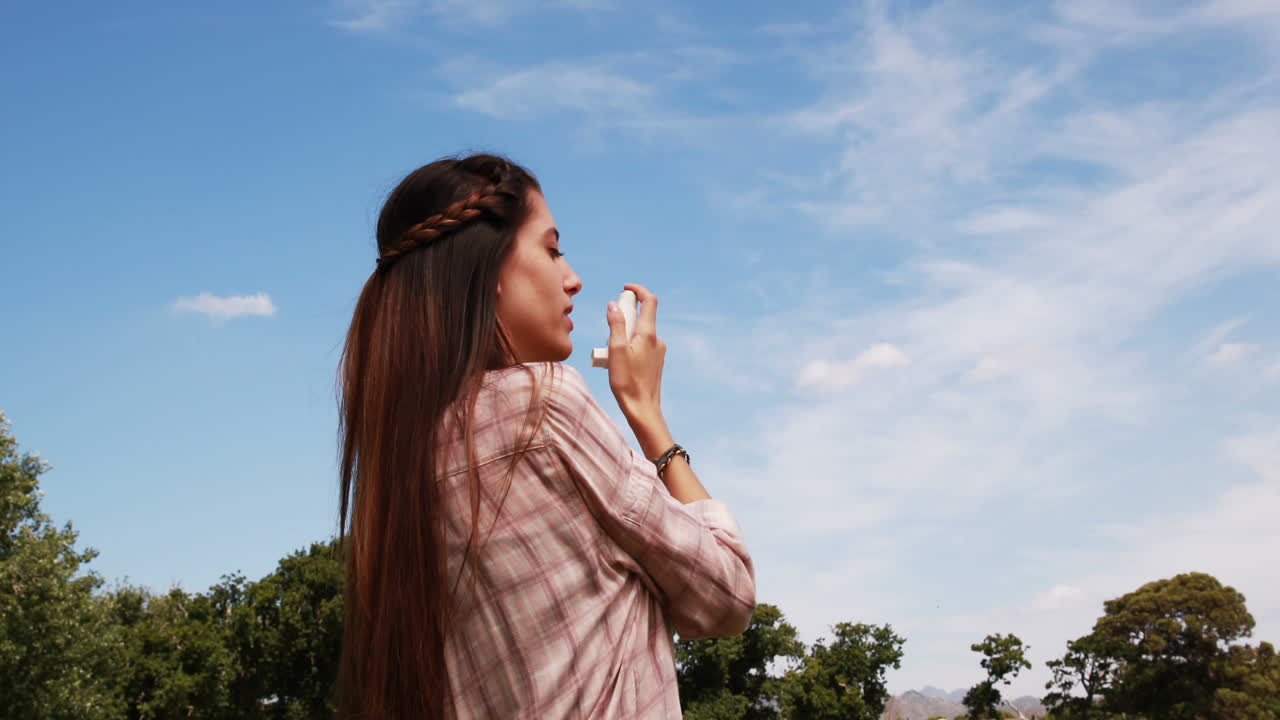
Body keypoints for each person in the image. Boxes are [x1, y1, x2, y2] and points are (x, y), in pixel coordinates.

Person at [336, 153, 756, 719]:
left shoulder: (399, 462)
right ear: (488, 271)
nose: (573, 277)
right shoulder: (546, 406)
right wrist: (647, 415)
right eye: (552, 248)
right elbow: (726, 596)